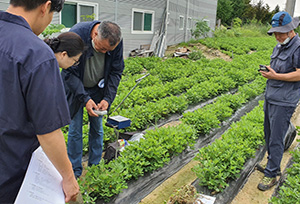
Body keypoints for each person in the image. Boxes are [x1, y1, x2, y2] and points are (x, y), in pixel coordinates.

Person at [0, 0, 79, 203]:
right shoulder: (36, 53)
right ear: (45, 6)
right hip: (11, 175)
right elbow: (48, 131)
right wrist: (68, 177)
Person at [61, 20, 124, 178]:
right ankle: (75, 170)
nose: (104, 53)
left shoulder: (115, 43)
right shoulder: (77, 36)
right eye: (102, 48)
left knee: (97, 128)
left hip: (98, 89)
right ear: (95, 35)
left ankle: (95, 167)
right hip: (76, 90)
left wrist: (108, 98)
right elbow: (68, 71)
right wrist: (84, 98)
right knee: (75, 130)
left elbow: (116, 71)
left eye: (107, 50)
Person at [258, 11, 300, 191]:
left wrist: (277, 76)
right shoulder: (279, 46)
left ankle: (272, 174)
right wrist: (269, 72)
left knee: (276, 137)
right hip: (272, 96)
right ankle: (270, 164)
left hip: (285, 100)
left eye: (280, 32)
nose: (277, 36)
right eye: (275, 32)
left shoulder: (298, 46)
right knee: (268, 133)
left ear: (291, 30)